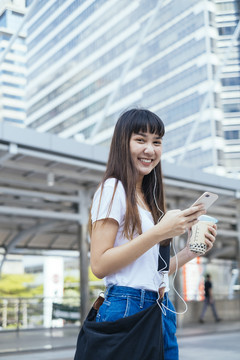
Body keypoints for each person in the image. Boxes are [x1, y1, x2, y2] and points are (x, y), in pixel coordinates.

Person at [77, 109, 217, 360]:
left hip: (159, 308)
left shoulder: (149, 200)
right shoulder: (112, 189)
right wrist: (159, 232)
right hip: (126, 308)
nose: (150, 150)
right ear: (123, 143)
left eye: (157, 142)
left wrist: (190, 252)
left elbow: (152, 271)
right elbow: (99, 265)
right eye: (140, 140)